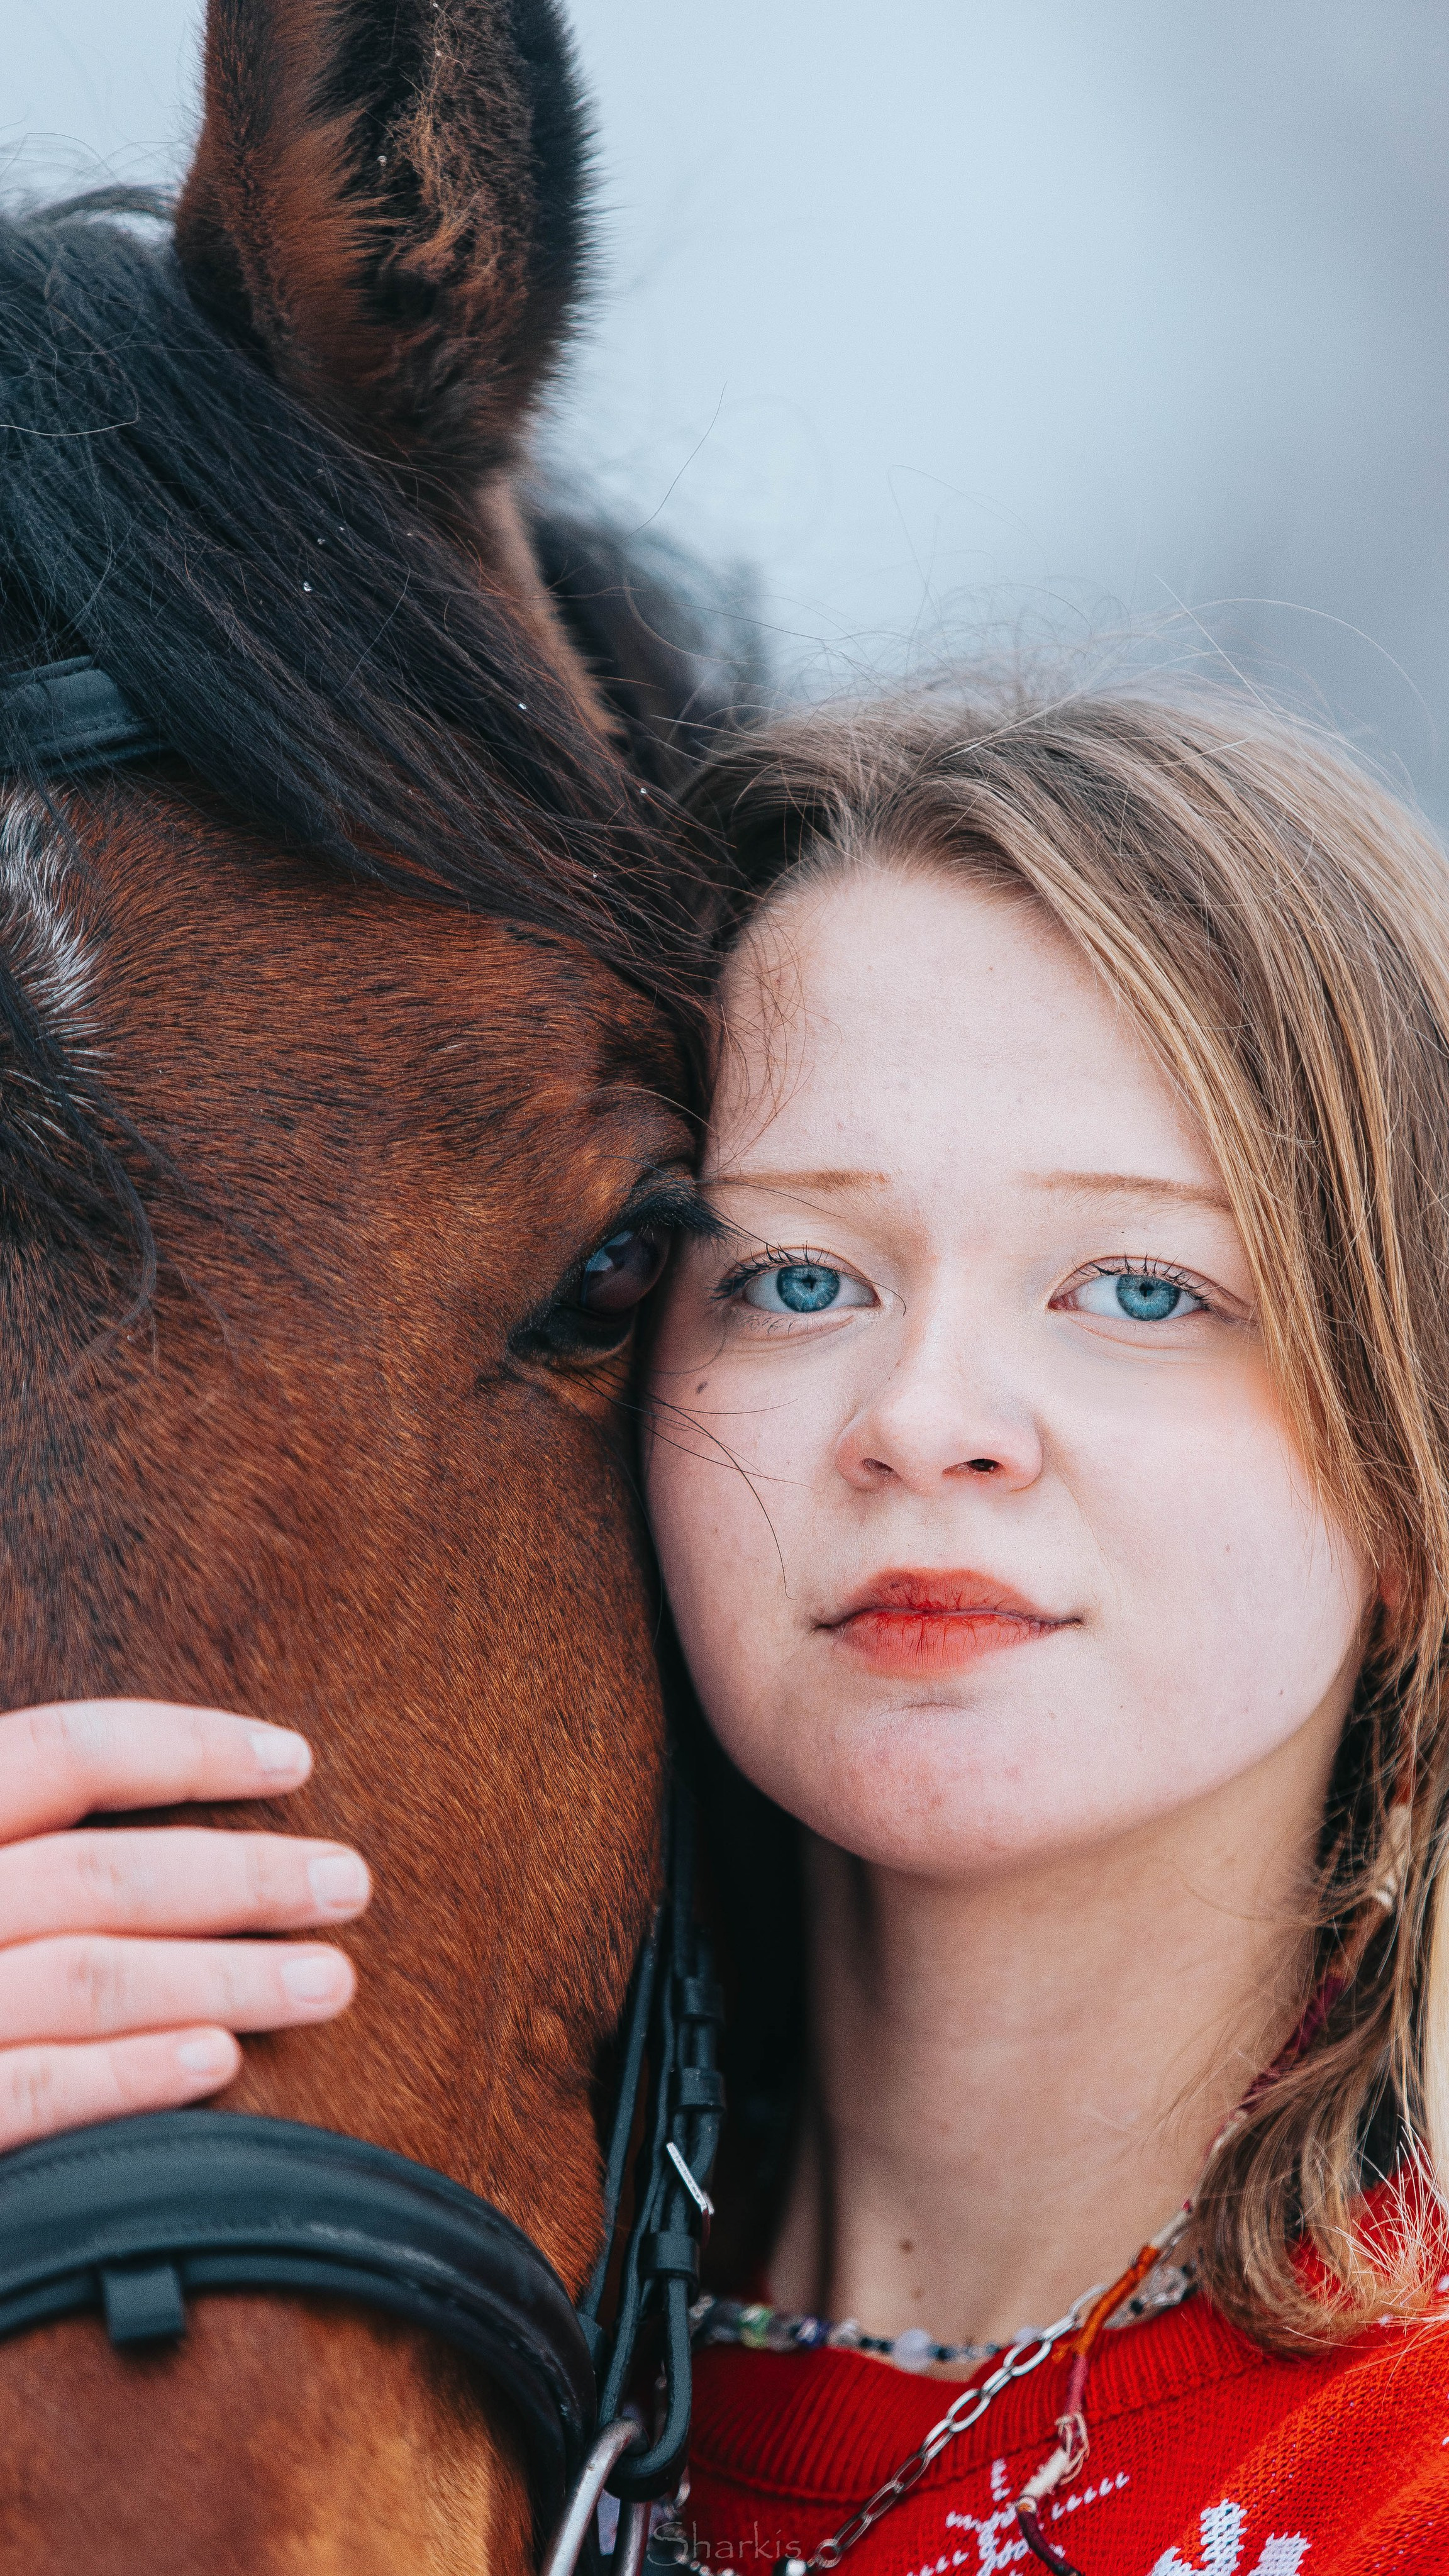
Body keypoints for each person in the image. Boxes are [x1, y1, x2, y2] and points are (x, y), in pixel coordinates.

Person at [3, 684, 1449, 2573]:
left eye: (1139, 1287)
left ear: (1406, 1461)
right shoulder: (340, 2326)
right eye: (794, 1274)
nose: (928, 1418)